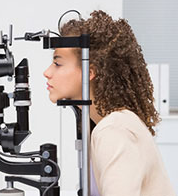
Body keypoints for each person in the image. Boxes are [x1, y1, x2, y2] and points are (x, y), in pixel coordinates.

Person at [43, 10, 175, 195]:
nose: (47, 72)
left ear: (90, 72)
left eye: (58, 64)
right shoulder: (107, 124)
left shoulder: (114, 130)